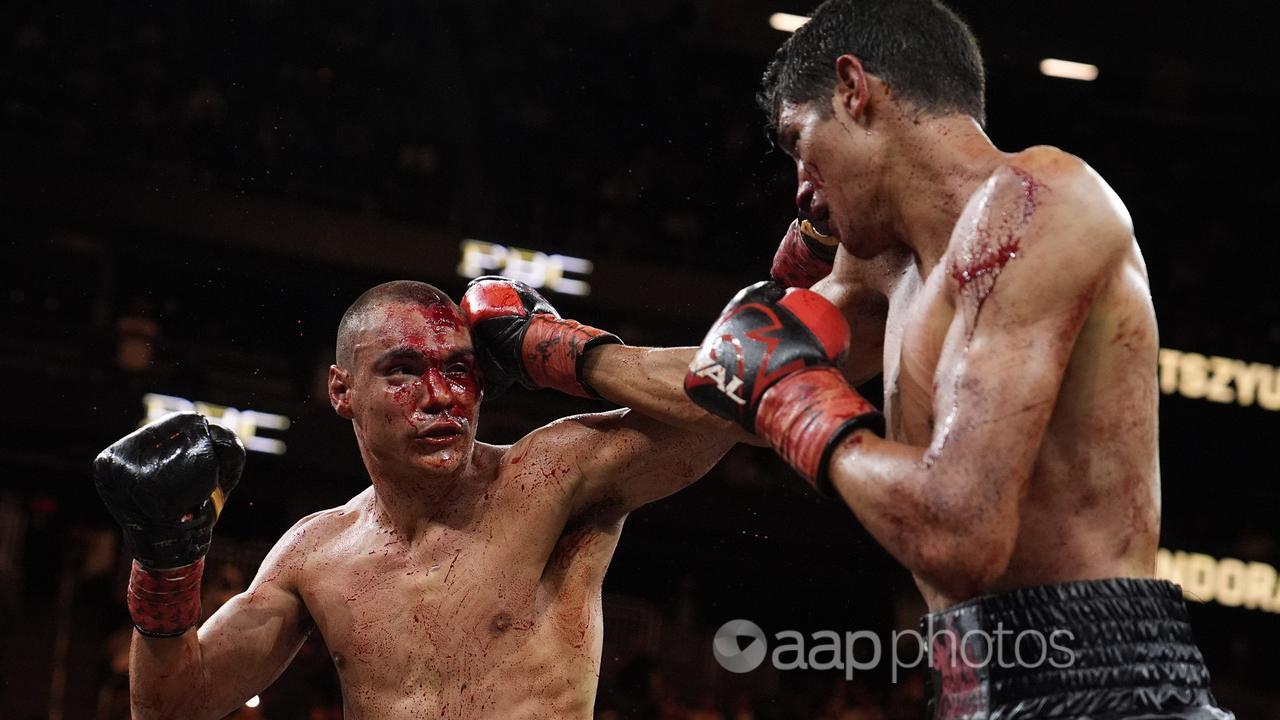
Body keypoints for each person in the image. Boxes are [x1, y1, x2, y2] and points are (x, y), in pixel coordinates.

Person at [539, 0, 1234, 717]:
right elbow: (731, 379)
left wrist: (798, 406)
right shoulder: (884, 270)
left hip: (1110, 688)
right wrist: (558, 351)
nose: (801, 189)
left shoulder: (1042, 206)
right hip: (969, 685)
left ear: (853, 89)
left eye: (799, 143)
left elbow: (959, 532)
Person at [92, 280, 734, 719]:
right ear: (341, 392)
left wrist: (555, 350)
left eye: (460, 370)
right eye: (402, 371)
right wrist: (164, 566)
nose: (440, 396)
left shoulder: (548, 480)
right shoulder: (316, 554)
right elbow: (174, 707)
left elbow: (733, 402)